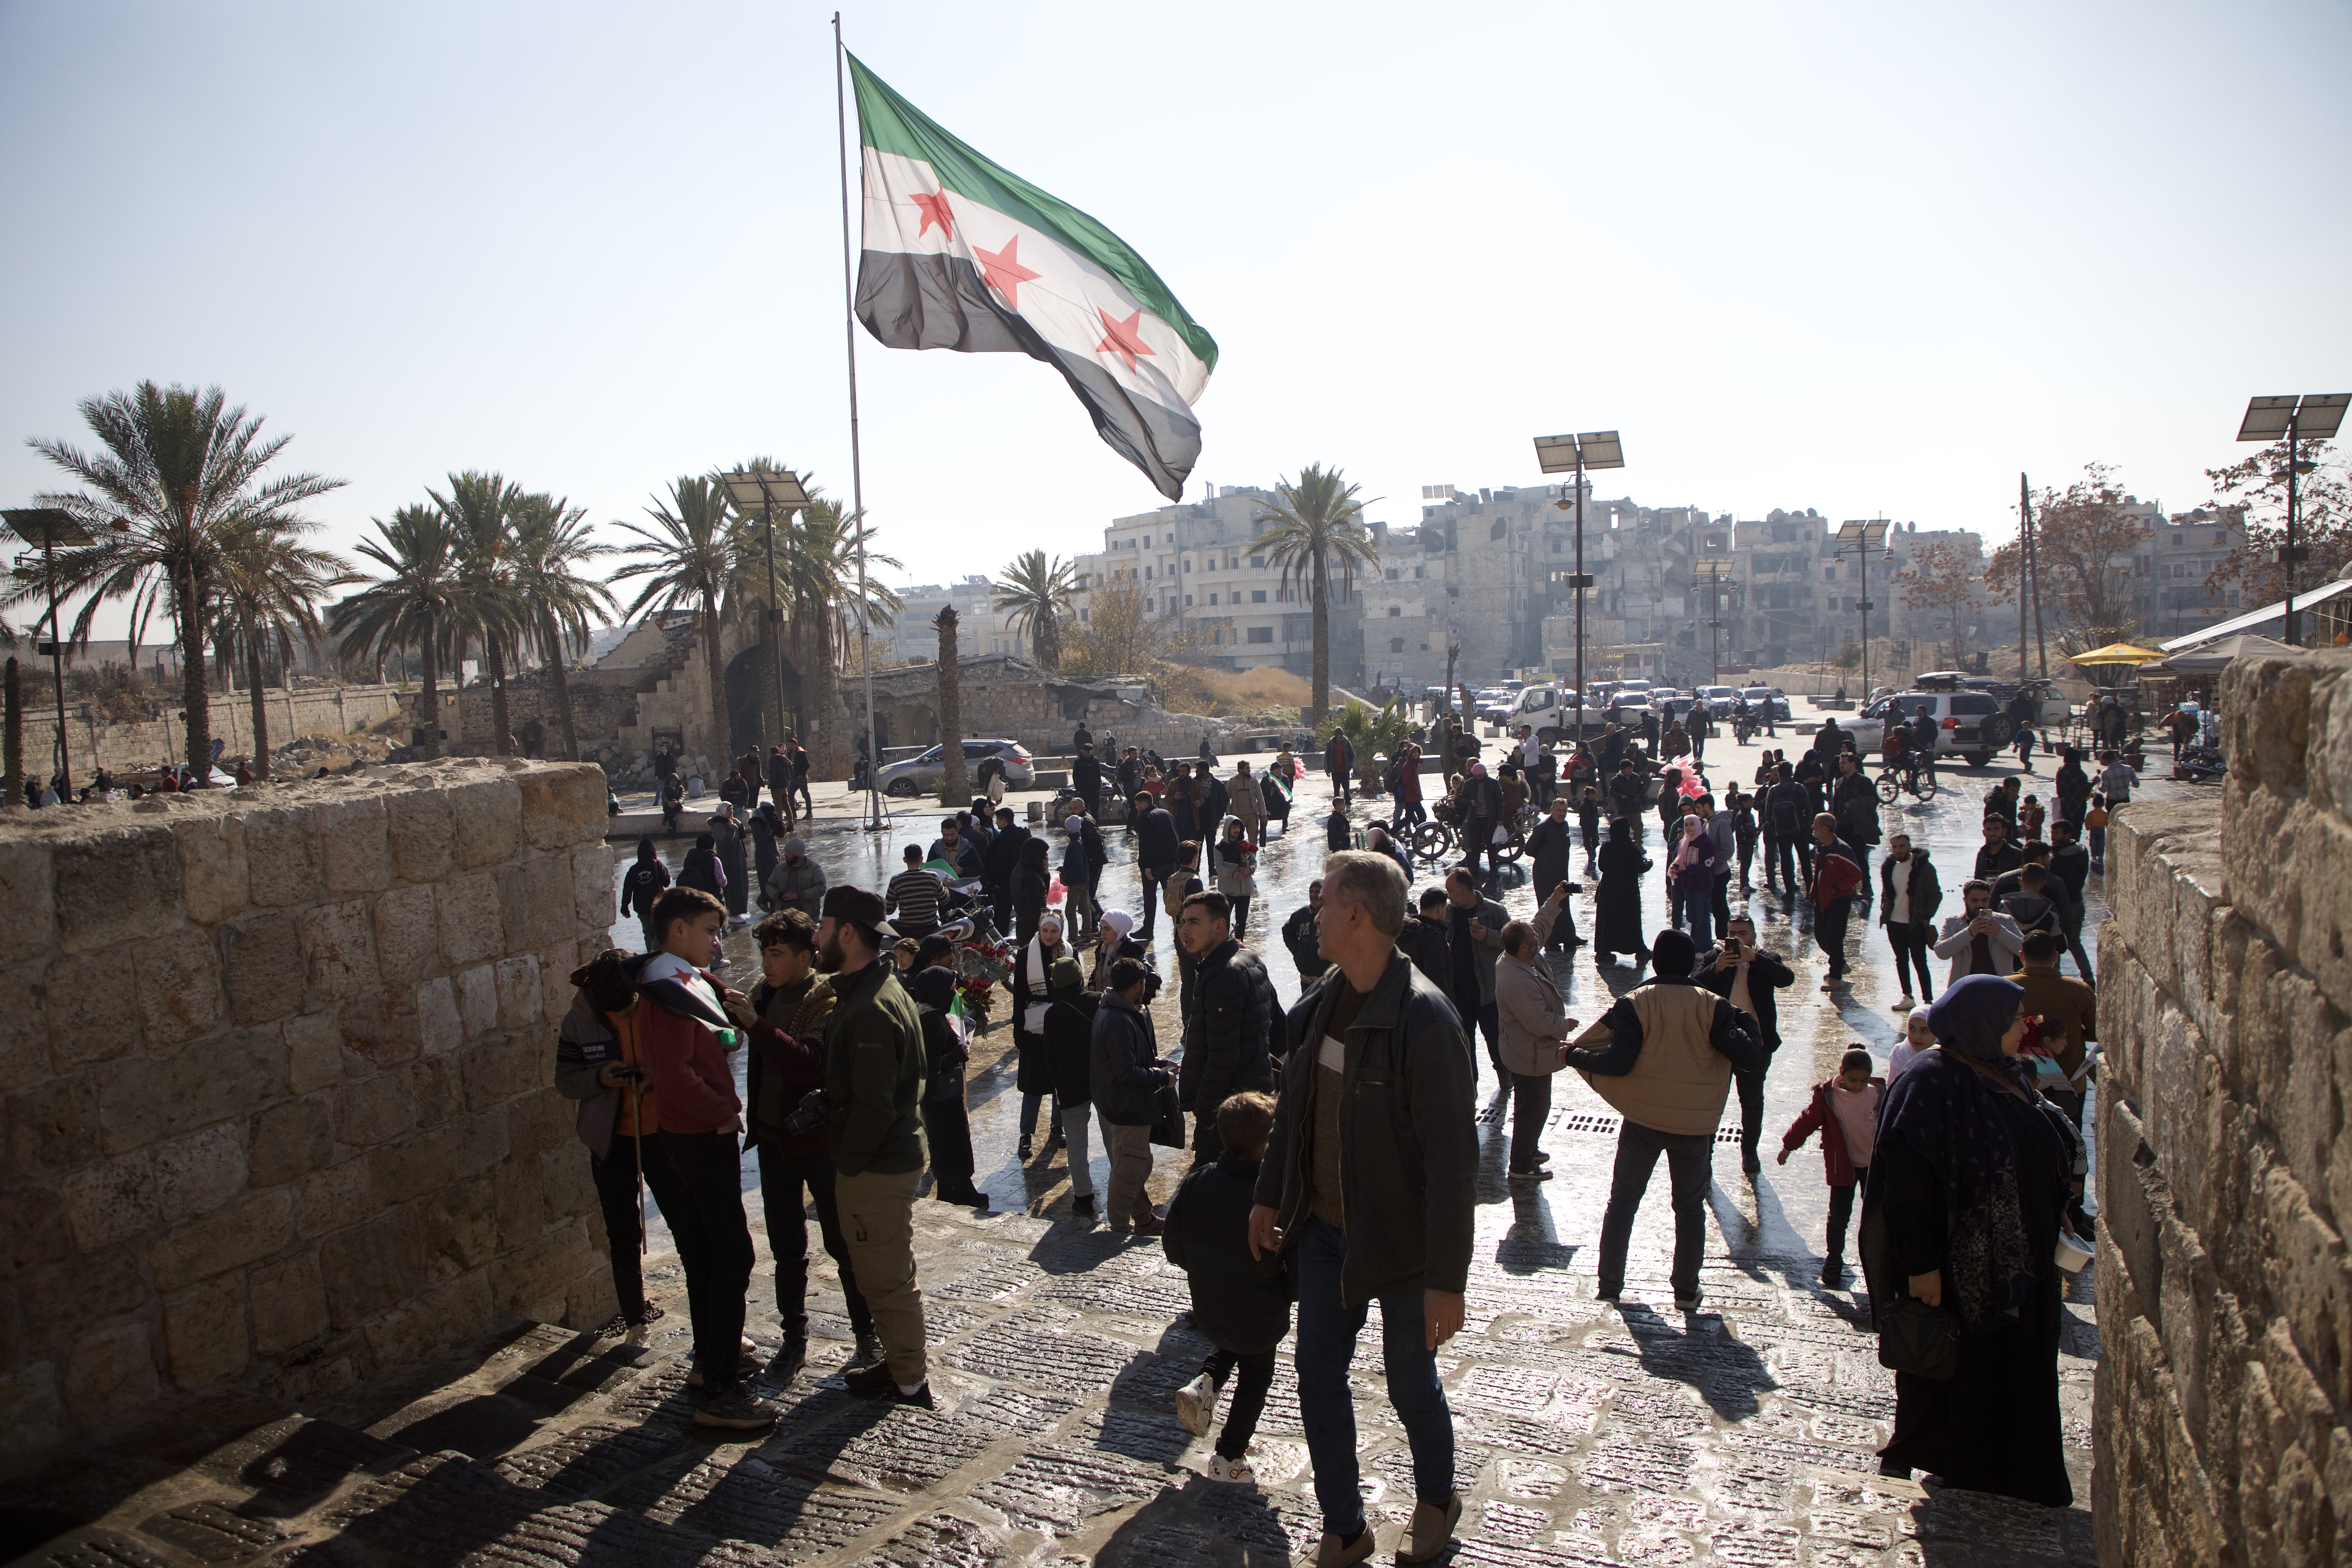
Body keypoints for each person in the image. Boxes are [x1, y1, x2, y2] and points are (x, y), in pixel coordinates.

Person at [1250, 850, 1476, 1567]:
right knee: (1317, 1373)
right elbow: (1294, 1109)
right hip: (1322, 1230)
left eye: (1324, 903)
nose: (1313, 915)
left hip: (1404, 1243)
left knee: (1412, 1383)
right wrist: (1267, 1192)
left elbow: (1451, 1161)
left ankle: (1437, 1497)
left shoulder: (1426, 1019)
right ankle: (1344, 1524)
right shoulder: (1321, 1000)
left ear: (1356, 913)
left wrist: (1448, 1275)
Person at [1864, 974, 2076, 1503]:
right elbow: (1908, 1188)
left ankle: (2008, 1468)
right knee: (1960, 1368)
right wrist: (1922, 1266)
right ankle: (1953, 1461)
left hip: (2020, 1267)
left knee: (2014, 1367)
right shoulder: (1930, 1084)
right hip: (1961, 1270)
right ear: (1981, 1024)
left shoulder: (2005, 1074)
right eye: (2014, 1019)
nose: (2024, 1027)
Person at [634, 887, 777, 1428]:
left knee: (707, 1251)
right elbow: (674, 1074)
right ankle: (719, 1391)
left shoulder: (679, 977)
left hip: (697, 1131)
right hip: (700, 1133)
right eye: (709, 932)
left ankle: (710, 1362)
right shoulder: (666, 989)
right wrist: (723, 1110)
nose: (719, 942)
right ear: (677, 931)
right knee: (731, 1255)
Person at [1563, 927, 1763, 1311]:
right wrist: (1747, 1019)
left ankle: (1610, 1284)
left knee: (1623, 1202)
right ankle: (1686, 1290)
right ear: (1692, 964)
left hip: (1642, 1120)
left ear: (1654, 961)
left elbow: (1616, 1063)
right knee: (1689, 1208)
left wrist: (1573, 1056)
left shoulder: (1635, 1002)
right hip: (1694, 1128)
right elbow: (1751, 1058)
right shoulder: (1714, 1006)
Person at [812, 885, 934, 1408]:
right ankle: (899, 1364)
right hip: (892, 1155)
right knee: (886, 1271)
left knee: (885, 1280)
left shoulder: (868, 1009)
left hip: (877, 1166)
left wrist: (848, 1163)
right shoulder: (880, 985)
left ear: (846, 933)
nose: (815, 938)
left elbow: (874, 1107)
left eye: (822, 927)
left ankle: (910, 1385)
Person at [742, 909, 876, 1373]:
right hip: (774, 1141)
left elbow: (808, 1063)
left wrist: (754, 1026)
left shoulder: (824, 1000)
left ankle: (866, 1333)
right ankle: (793, 1333)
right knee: (786, 1247)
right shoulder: (762, 996)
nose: (767, 963)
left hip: (819, 1143)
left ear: (806, 957)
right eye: (764, 952)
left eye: (776, 953)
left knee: (843, 1245)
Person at [1165, 1090, 1292, 1483]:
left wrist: (1205, 1269)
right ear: (1269, 1144)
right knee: (1256, 1374)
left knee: (1232, 1340)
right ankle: (1229, 1456)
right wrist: (1286, 1291)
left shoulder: (1198, 1180)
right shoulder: (1274, 1199)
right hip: (1260, 1310)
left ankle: (1206, 1383)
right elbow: (1295, 1263)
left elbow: (1173, 1245)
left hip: (1210, 1307)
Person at [554, 949, 681, 1335]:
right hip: (610, 1142)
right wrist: (601, 1079)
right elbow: (566, 1080)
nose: (627, 1018)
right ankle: (634, 1317)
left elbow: (693, 1058)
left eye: (631, 1009)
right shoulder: (579, 1021)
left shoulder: (660, 1005)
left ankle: (708, 1317)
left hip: (663, 1134)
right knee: (622, 1233)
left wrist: (653, 1076)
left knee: (685, 1222)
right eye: (619, 1015)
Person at [1177, 891, 1278, 1163]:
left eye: (1194, 922)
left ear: (1220, 926)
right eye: (1183, 922)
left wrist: (1208, 1114)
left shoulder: (1224, 975)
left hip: (1233, 1108)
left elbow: (1223, 1055)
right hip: (1254, 1097)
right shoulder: (1247, 958)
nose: (1184, 931)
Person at [1694, 913, 1795, 1176]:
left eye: (1743, 934)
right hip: (1719, 1043)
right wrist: (1717, 968)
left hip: (1756, 1043)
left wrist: (1756, 959)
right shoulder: (1713, 958)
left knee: (1751, 1101)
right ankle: (1706, 1156)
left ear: (1753, 937)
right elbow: (1693, 987)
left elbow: (1787, 979)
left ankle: (1750, 1152)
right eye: (1733, 934)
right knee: (1713, 1101)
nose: (1738, 939)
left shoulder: (1767, 959)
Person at [1777, 1046, 1882, 1286]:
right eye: (1852, 1080)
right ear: (1841, 1074)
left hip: (1874, 1166)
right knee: (1839, 1217)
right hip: (1843, 1167)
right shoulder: (1828, 1097)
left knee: (1877, 1215)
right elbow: (1807, 1122)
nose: (1858, 1086)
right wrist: (1788, 1147)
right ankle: (1834, 1259)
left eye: (1863, 1081)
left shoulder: (1878, 1094)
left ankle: (1880, 1262)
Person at [1495, 888, 1580, 1182]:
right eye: (1533, 941)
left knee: (1533, 1107)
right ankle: (1521, 1165)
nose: (1538, 941)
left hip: (1527, 1051)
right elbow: (1538, 1022)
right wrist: (1564, 1025)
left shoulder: (1520, 955)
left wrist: (1554, 901)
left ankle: (1528, 1147)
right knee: (1534, 1109)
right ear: (1523, 948)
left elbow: (1539, 927)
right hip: (1528, 1055)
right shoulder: (1516, 979)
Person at [1093, 955, 1174, 1234]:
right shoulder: (1118, 1018)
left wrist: (1159, 1064)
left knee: (1135, 1163)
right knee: (1130, 1168)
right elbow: (1127, 1072)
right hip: (1127, 1106)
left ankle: (1143, 1218)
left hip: (1124, 1104)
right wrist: (1162, 1077)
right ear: (1138, 983)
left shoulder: (1121, 1010)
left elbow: (1132, 1059)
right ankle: (1118, 1227)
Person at [904, 957, 983, 1210]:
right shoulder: (931, 1022)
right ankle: (953, 1194)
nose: (954, 993)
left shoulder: (926, 1015)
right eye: (950, 989)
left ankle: (963, 1190)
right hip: (941, 1098)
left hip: (940, 1097)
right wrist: (955, 1057)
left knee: (952, 1142)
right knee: (951, 1143)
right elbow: (926, 1062)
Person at [2013, 929, 2096, 1139]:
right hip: (2069, 1085)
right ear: (2055, 957)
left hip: (2017, 1083)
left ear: (2022, 955)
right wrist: (2074, 1033)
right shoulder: (2080, 990)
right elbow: (2097, 1032)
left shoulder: (2005, 987)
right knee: (2070, 1140)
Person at [1041, 955, 1102, 1217]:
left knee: (1077, 1144)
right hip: (1101, 1080)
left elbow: (1050, 1057)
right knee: (1113, 1139)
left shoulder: (1053, 1014)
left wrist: (1058, 1087)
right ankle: (1128, 1193)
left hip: (1071, 1086)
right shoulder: (1099, 1000)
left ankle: (1083, 1196)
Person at [1011, 912, 1072, 1159]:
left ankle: (1057, 1128)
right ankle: (1026, 1134)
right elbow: (1019, 994)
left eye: (1054, 932)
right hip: (1033, 1025)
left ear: (1061, 933)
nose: (1049, 936)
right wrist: (1018, 1029)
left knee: (1060, 1082)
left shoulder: (1070, 954)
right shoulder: (1026, 954)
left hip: (1059, 1025)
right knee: (1033, 1085)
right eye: (1045, 931)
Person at [1442, 868, 1509, 1091]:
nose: (1448, 894)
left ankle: (1504, 1075)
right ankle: (1471, 1083)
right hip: (1459, 990)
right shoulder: (1449, 912)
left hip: (1487, 990)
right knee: (1465, 1040)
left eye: (1451, 890)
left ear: (1464, 890)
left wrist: (1488, 936)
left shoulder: (1494, 911)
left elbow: (1513, 943)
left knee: (1494, 1038)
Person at [1879, 831, 1942, 1011]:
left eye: (1902, 846)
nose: (1899, 851)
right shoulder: (1889, 866)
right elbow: (1887, 893)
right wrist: (1885, 912)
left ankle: (1928, 1000)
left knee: (1920, 961)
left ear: (1909, 846)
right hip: (1894, 922)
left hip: (1915, 923)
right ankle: (1907, 996)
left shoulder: (1923, 867)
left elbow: (1935, 894)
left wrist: (1926, 917)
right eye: (1895, 847)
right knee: (1901, 960)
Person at [1808, 813, 1865, 989]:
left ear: (1825, 829)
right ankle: (1840, 963)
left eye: (1815, 825)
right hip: (1822, 900)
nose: (1812, 828)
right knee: (1820, 937)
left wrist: (1837, 888)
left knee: (1834, 939)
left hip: (1839, 901)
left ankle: (1835, 978)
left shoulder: (1842, 850)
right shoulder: (1820, 847)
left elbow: (1857, 874)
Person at [1524, 796, 1584, 955]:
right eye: (1559, 810)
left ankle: (1569, 937)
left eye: (1564, 811)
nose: (1562, 814)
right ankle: (1551, 942)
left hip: (1561, 874)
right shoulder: (1543, 828)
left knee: (1564, 906)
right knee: (1549, 908)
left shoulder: (1565, 826)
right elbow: (1529, 849)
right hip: (1545, 876)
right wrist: (1545, 858)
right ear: (1552, 810)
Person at [1935, 879, 2023, 984]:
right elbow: (1941, 953)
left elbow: (2025, 950)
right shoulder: (1953, 922)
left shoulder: (2005, 921)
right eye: (1975, 901)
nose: (1980, 905)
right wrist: (1969, 932)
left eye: (1985, 900)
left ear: (1990, 900)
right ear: (1965, 900)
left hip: (2000, 987)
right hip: (1964, 989)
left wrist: (2000, 933)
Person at [1592, 817, 1652, 968]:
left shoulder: (1606, 846)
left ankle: (1603, 951)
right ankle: (1638, 949)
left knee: (1608, 921)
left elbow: (1602, 866)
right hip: (1628, 891)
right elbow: (1640, 867)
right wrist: (1649, 863)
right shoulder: (1631, 846)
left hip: (1609, 890)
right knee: (1630, 920)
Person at [1665, 798, 1717, 950]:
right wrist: (1675, 868)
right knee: (1693, 918)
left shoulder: (1706, 843)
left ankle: (1705, 947)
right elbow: (1677, 859)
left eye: (1692, 824)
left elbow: (1708, 865)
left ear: (1699, 825)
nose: (1689, 828)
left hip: (1702, 887)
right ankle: (1695, 946)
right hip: (1688, 886)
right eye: (1686, 825)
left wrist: (1687, 869)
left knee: (1703, 918)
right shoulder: (1684, 842)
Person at [1133, 790, 1179, 941]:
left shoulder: (1145, 817)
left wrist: (1146, 865)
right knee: (1172, 896)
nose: (1136, 807)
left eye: (1137, 804)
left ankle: (1148, 930)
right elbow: (1175, 837)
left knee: (1150, 897)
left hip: (1153, 865)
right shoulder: (1166, 813)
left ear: (1144, 804)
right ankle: (1179, 927)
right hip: (1170, 862)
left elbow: (1146, 843)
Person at [1208, 818, 1260, 939]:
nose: (1237, 831)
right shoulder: (1220, 848)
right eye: (1233, 828)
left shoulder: (1245, 845)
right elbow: (1219, 868)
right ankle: (1224, 945)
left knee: (1242, 922)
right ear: (1227, 829)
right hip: (1229, 890)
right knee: (1224, 921)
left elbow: (1254, 862)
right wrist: (1232, 874)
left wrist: (1250, 870)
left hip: (1246, 891)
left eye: (1238, 828)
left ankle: (1240, 943)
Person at [1397, 887, 1454, 994]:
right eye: (1445, 909)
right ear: (1440, 909)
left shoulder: (1406, 929)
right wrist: (1448, 1002)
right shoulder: (1433, 936)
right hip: (1429, 1000)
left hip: (1407, 995)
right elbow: (1437, 976)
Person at [1765, 764, 1812, 893]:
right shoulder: (1799, 788)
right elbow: (1808, 809)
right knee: (1805, 861)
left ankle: (1789, 891)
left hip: (1782, 831)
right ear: (1791, 773)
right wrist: (1806, 825)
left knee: (1785, 860)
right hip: (1799, 830)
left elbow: (1768, 814)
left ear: (1779, 775)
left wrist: (1775, 827)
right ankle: (1811, 891)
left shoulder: (1773, 790)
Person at [619, 838, 672, 952]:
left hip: (642, 908)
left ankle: (650, 954)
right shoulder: (657, 865)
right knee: (659, 930)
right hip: (657, 906)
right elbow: (667, 883)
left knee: (648, 932)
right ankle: (661, 954)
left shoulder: (633, 870)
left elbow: (627, 890)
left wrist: (625, 908)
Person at [884, 845, 946, 942]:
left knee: (891, 923)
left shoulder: (896, 881)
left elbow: (888, 910)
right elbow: (944, 900)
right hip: (931, 927)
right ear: (921, 859)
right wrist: (945, 886)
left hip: (906, 930)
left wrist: (897, 902)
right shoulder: (933, 877)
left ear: (905, 860)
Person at [1283, 880, 1330, 985]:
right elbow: (1287, 930)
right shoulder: (1301, 914)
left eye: (1318, 892)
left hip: (1326, 980)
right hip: (1306, 978)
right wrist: (1297, 951)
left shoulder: (1331, 916)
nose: (1314, 895)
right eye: (1311, 892)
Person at [711, 805, 750, 920]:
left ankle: (739, 911)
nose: (731, 812)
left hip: (738, 857)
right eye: (729, 810)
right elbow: (727, 839)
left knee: (742, 884)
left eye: (732, 809)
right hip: (729, 859)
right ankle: (733, 913)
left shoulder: (731, 822)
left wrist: (740, 825)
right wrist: (732, 828)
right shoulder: (718, 825)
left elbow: (743, 836)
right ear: (723, 811)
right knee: (733, 885)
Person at [1011, 835, 1052, 944]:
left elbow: (1041, 895)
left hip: (1022, 926)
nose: (1045, 859)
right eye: (1044, 855)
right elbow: (1036, 909)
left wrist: (1045, 875)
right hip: (1032, 931)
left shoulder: (1020, 868)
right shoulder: (1030, 877)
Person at [930, 816, 984, 881]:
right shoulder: (935, 848)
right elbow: (929, 870)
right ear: (942, 833)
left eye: (953, 835)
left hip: (963, 889)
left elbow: (979, 870)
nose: (950, 838)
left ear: (958, 832)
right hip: (941, 889)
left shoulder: (968, 848)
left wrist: (962, 871)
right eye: (946, 835)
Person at [749, 803, 784, 902]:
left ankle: (775, 900)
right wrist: (770, 826)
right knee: (767, 877)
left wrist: (781, 826)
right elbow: (760, 839)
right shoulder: (756, 821)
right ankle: (765, 900)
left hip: (773, 850)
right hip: (763, 852)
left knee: (776, 875)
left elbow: (781, 835)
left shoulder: (772, 817)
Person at [677, 832, 726, 903]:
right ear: (712, 846)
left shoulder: (690, 858)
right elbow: (722, 882)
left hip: (695, 897)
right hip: (713, 897)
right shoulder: (715, 860)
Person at [1974, 813, 2024, 882]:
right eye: (1989, 829)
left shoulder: (2017, 855)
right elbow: (1978, 880)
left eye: (1996, 829)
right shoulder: (1982, 854)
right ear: (1984, 833)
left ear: (2004, 832)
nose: (1992, 833)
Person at [1389, 737, 1425, 831]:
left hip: (1414, 796)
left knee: (1419, 816)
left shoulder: (1413, 764)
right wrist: (1415, 790)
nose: (1416, 754)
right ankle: (1393, 831)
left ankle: (1420, 834)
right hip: (1411, 796)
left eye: (1417, 752)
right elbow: (1407, 781)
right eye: (1414, 753)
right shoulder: (1408, 765)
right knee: (1412, 817)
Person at [1325, 727, 1356, 808]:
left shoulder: (1347, 742)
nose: (1341, 736)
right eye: (1339, 735)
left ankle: (1348, 804)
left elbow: (1353, 755)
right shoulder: (1331, 743)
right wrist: (1327, 769)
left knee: (1346, 789)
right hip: (1335, 771)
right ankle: (1337, 806)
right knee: (1336, 789)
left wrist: (1350, 766)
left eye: (1342, 734)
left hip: (1345, 770)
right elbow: (1327, 756)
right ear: (1336, 736)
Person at [1072, 741, 1104, 818]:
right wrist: (1079, 790)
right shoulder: (1078, 762)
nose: (1086, 754)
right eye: (1085, 752)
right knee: (1083, 812)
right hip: (1084, 791)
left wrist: (1099, 788)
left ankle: (1095, 828)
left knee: (1095, 812)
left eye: (1088, 752)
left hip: (1094, 791)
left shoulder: (1095, 761)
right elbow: (1075, 777)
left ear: (1092, 752)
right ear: (1083, 752)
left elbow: (1098, 775)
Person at [1577, 785, 1603, 870]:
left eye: (1594, 794)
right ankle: (1590, 853)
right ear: (1587, 795)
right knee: (1587, 841)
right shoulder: (1584, 805)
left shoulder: (1594, 803)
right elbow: (1586, 817)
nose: (1593, 796)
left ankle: (1593, 851)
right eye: (1592, 795)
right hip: (1587, 827)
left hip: (1594, 825)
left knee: (1596, 839)